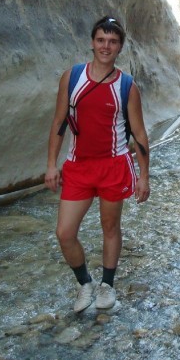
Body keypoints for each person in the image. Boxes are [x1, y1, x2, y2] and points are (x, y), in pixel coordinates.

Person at [46, 16, 151, 313]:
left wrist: (144, 176)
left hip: (113, 165)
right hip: (78, 166)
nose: (106, 46)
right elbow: (58, 122)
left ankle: (107, 285)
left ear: (120, 47)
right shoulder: (72, 77)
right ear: (92, 42)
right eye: (101, 40)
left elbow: (139, 133)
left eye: (113, 42)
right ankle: (84, 284)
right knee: (64, 233)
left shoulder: (127, 86)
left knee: (109, 226)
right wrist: (52, 164)